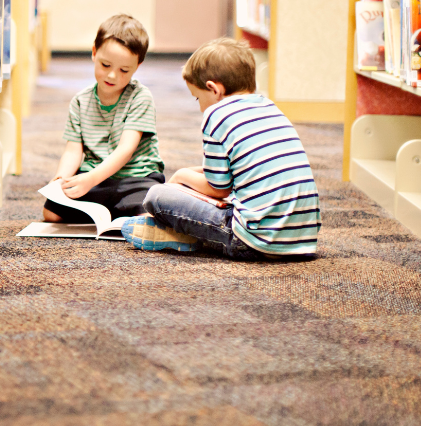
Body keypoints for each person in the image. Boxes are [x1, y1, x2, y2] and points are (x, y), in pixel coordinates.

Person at [122, 37, 321, 259]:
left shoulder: (216, 115)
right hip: (303, 240)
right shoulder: (270, 107)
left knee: (157, 196)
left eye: (197, 98)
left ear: (213, 89)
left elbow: (218, 189)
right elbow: (240, 170)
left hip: (253, 240)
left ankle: (182, 234)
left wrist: (182, 175)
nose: (199, 107)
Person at [42, 13, 164, 222]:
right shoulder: (80, 101)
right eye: (105, 65)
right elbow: (73, 150)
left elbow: (125, 150)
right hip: (95, 176)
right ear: (94, 53)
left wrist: (91, 179)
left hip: (135, 177)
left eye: (124, 70)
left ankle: (120, 210)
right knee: (51, 213)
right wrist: (61, 178)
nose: (112, 76)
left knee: (149, 208)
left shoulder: (140, 97)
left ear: (138, 66)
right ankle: (114, 211)